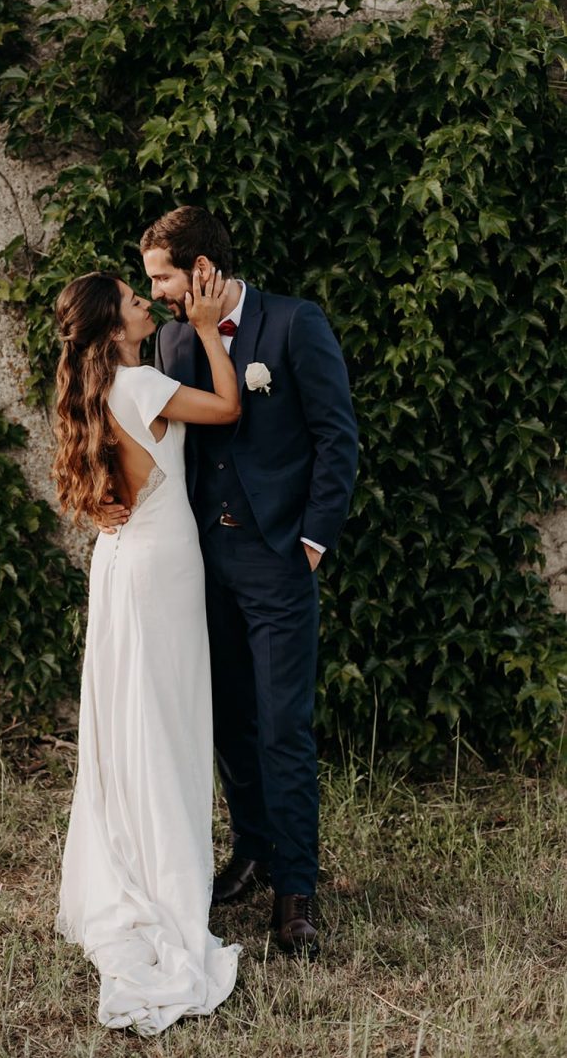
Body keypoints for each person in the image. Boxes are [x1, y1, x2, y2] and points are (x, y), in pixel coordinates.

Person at [107, 206, 358, 958]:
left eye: (163, 276)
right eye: (146, 280)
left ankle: (296, 889)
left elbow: (336, 436)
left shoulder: (292, 324)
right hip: (197, 568)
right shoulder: (175, 339)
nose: (154, 294)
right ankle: (250, 848)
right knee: (226, 720)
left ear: (203, 268)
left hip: (279, 561)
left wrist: (311, 543)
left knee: (284, 724)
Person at [52, 267, 242, 1036]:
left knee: (127, 719)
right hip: (162, 563)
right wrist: (204, 329)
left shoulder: (93, 396)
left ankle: (133, 862)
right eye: (136, 303)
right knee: (165, 719)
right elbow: (228, 405)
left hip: (119, 560)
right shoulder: (143, 386)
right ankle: (169, 881)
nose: (147, 306)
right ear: (114, 328)